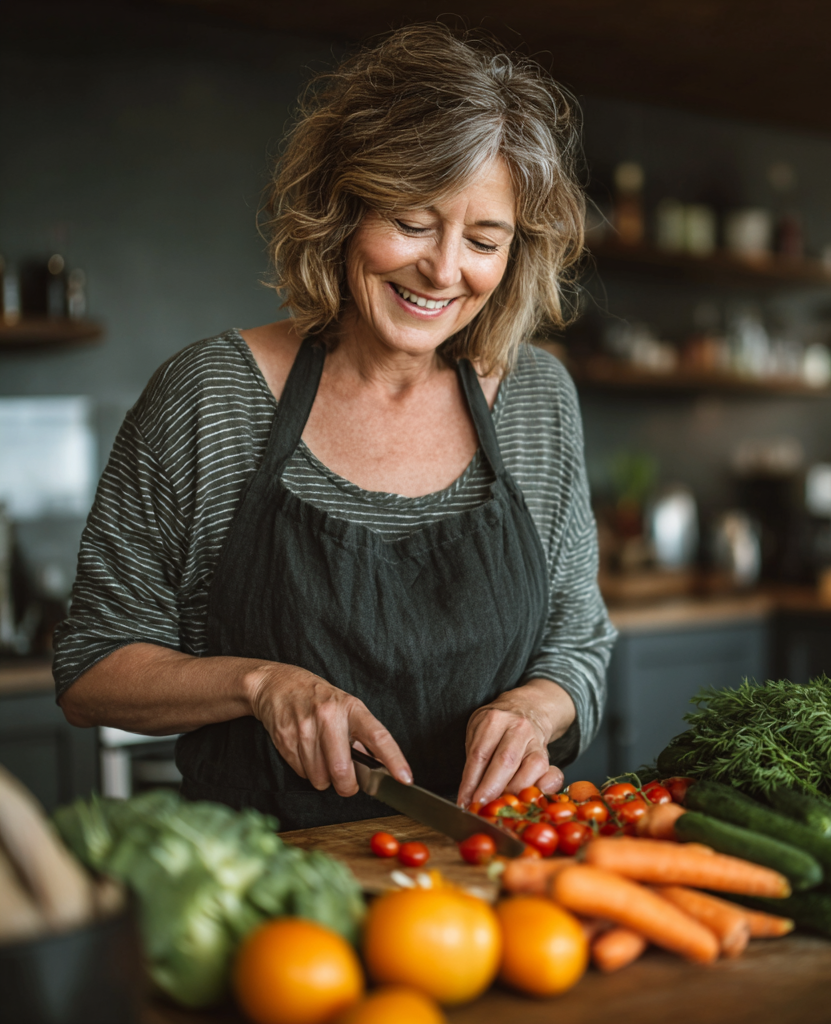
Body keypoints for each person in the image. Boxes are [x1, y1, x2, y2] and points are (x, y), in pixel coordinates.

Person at [55, 24, 615, 829]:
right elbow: (93, 666)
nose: (444, 268)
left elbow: (579, 644)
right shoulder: (212, 396)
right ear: (342, 206)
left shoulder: (537, 399)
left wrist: (535, 709)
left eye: (484, 240)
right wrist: (259, 685)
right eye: (414, 222)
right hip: (271, 894)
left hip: (490, 882)